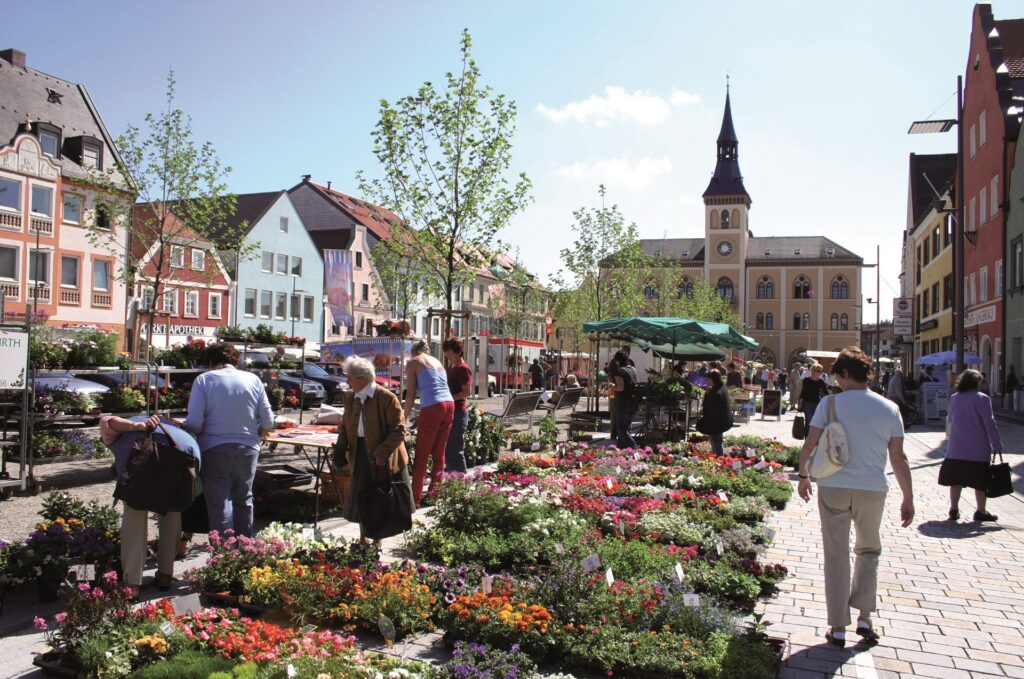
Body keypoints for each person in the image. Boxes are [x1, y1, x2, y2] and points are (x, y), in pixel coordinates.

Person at [797, 346, 913, 648]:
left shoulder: (829, 404)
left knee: (836, 554)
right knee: (869, 550)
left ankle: (837, 626)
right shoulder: (889, 408)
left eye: (838, 376)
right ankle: (864, 616)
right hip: (872, 489)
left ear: (847, 374)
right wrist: (908, 497)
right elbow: (898, 458)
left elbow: (810, 444)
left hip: (834, 486)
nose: (837, 382)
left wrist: (804, 475)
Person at [101, 414, 200, 594]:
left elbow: (106, 421)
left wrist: (134, 426)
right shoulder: (174, 429)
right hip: (181, 457)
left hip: (139, 467)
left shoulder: (119, 436)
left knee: (134, 520)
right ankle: (165, 575)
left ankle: (132, 584)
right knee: (171, 516)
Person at [184, 342, 273, 538]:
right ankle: (245, 549)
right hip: (248, 447)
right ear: (236, 359)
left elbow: (195, 422)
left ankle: (223, 556)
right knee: (244, 499)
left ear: (211, 361)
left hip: (214, 447)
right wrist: (257, 434)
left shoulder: (204, 380)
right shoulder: (253, 379)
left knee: (219, 503)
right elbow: (268, 419)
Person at [336, 355, 411, 543]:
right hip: (360, 451)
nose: (347, 381)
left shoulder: (386, 398)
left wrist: (382, 452)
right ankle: (363, 538)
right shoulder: (350, 397)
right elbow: (345, 425)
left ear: (362, 378)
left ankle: (378, 538)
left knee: (380, 499)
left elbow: (399, 430)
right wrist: (340, 447)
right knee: (363, 497)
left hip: (384, 456)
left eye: (350, 377)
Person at [940, 369, 1003, 522]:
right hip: (978, 447)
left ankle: (954, 508)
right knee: (980, 480)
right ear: (977, 382)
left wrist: (948, 438)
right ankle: (981, 511)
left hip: (957, 447)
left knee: (956, 479)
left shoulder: (955, 398)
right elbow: (990, 423)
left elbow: (950, 420)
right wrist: (996, 444)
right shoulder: (983, 399)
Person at [403, 339, 454, 506]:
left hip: (433, 406)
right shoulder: (437, 362)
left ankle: (415, 498)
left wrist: (404, 417)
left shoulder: (413, 362)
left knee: (422, 454)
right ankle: (434, 494)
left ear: (413, 351)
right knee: (439, 452)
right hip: (449, 404)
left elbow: (410, 395)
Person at [443, 337, 472, 473]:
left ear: (458, 352)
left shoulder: (462, 369)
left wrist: (450, 398)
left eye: (449, 352)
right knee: (449, 447)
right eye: (446, 352)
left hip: (458, 412)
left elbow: (466, 392)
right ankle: (451, 478)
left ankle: (461, 479)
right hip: (451, 410)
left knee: (455, 448)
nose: (447, 355)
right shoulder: (452, 366)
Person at [697, 369, 733, 455]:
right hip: (721, 421)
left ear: (713, 379)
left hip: (717, 423)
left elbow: (713, 411)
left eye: (708, 379)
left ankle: (719, 462)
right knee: (716, 443)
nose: (707, 381)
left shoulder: (717, 393)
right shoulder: (721, 387)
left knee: (716, 443)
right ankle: (717, 460)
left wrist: (706, 424)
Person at [612, 350, 639, 448]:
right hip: (633, 402)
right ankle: (620, 449)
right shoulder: (633, 369)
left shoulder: (620, 371)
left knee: (620, 428)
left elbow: (620, 387)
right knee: (625, 427)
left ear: (618, 360)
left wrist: (612, 386)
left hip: (623, 403)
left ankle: (634, 446)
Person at [797, 364, 830, 434]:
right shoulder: (806, 380)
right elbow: (802, 393)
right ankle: (807, 438)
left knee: (815, 421)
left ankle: (813, 438)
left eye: (820, 371)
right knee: (809, 420)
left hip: (817, 403)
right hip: (807, 403)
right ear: (812, 371)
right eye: (817, 371)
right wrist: (799, 403)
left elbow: (826, 393)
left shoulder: (821, 381)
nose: (819, 373)